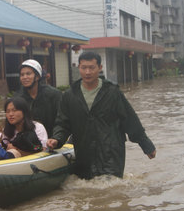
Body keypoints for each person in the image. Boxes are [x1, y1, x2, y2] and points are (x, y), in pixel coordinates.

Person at [47, 51, 156, 180]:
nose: (87, 72)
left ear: (100, 68)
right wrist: (57, 139)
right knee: (88, 190)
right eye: (84, 68)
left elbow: (130, 120)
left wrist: (146, 145)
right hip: (84, 153)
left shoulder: (112, 92)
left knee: (111, 190)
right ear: (79, 68)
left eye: (91, 68)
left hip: (111, 153)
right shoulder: (70, 96)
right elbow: (63, 123)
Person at [15, 59, 62, 138]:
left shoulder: (54, 95)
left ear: (37, 76)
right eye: (22, 75)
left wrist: (57, 138)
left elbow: (62, 120)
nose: (24, 77)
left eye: (28, 74)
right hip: (28, 141)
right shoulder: (17, 98)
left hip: (53, 139)